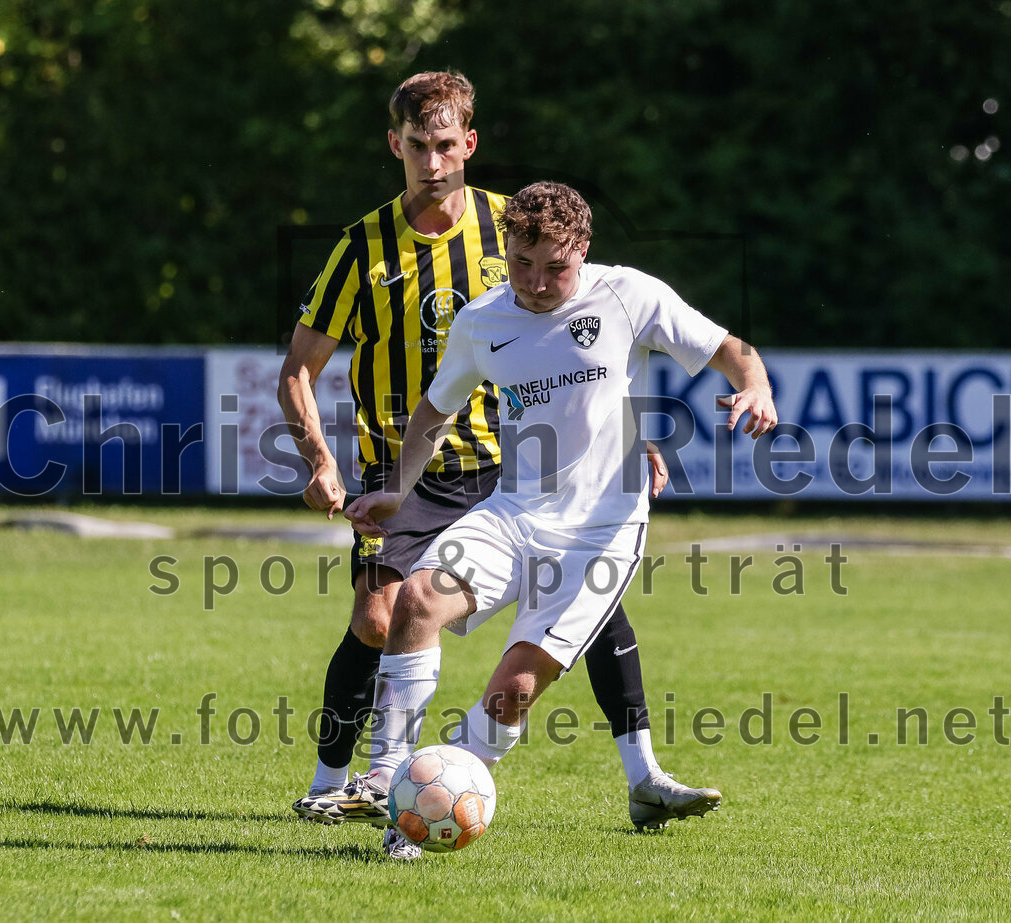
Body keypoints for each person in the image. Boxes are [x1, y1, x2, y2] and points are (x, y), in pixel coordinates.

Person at [278, 72, 679, 859]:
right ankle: (337, 782)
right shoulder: (361, 247)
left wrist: (628, 435)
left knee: (593, 602)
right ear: (395, 145)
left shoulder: (514, 226)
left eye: (444, 145)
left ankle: (646, 774)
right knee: (379, 617)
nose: (431, 163)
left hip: (512, 466)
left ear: (469, 143)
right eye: (416, 146)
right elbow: (298, 367)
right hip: (406, 466)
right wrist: (319, 460)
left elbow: (594, 332)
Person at [311, 181, 778, 837]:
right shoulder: (482, 320)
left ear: (582, 248)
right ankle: (390, 782)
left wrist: (755, 386)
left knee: (512, 692)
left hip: (599, 535)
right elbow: (434, 411)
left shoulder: (629, 294)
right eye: (521, 263)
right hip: (512, 512)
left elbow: (730, 349)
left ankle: (432, 802)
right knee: (415, 601)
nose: (535, 282)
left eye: (554, 267)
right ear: (505, 249)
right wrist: (397, 490)